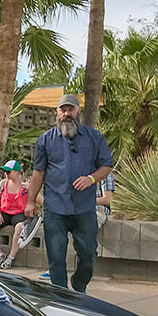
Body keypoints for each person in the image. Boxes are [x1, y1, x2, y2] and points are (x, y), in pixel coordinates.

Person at [25, 94, 113, 292]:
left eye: (70, 109)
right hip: (55, 207)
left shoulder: (94, 137)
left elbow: (107, 165)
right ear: (57, 112)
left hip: (84, 208)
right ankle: (61, 296)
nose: (67, 114)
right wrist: (30, 201)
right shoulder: (45, 140)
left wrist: (91, 179)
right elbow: (38, 172)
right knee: (56, 258)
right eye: (63, 110)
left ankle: (79, 285)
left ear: (77, 111)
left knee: (89, 255)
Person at [40, 172, 115, 279]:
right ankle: (55, 270)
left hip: (97, 208)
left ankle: (83, 272)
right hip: (76, 208)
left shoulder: (105, 173)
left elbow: (106, 199)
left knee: (86, 236)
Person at [0, 159, 28, 269]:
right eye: (5, 172)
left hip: (19, 213)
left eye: (9, 172)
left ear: (17, 172)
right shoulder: (3, 184)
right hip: (4, 213)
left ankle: (11, 257)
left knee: (19, 227)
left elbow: (40, 200)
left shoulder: (25, 186)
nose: (6, 174)